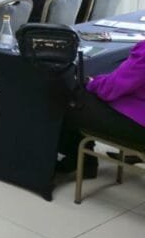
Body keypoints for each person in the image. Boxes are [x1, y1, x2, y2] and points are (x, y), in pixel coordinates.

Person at [56, 39, 145, 176]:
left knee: (68, 97)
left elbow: (110, 89)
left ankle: (80, 161)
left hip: (139, 128)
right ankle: (84, 161)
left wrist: (92, 82)